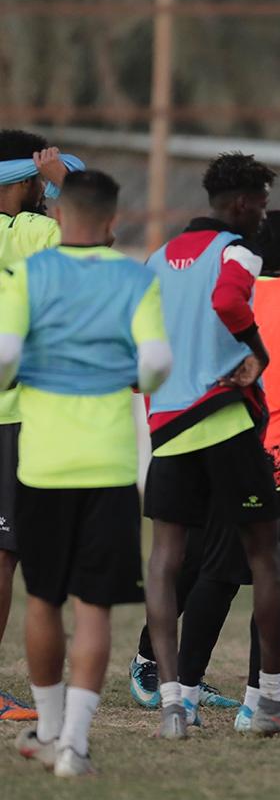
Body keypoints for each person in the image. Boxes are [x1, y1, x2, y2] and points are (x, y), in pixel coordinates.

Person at [129, 210, 280, 730]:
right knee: (278, 576)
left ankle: (183, 693)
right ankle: (260, 701)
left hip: (224, 447)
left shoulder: (231, 293)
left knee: (217, 574)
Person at [1, 170, 171, 776]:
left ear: (60, 216)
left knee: (43, 601)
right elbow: (155, 363)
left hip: (43, 465)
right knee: (94, 607)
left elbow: (4, 357)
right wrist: (132, 379)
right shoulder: (133, 278)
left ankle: (46, 730)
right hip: (109, 466)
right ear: (111, 221)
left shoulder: (28, 274)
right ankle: (74, 743)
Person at [0, 129, 77, 722]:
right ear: (20, 183)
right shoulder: (30, 232)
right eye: (34, 183)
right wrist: (63, 183)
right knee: (6, 554)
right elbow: (88, 232)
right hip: (14, 416)